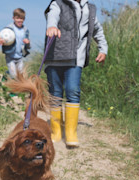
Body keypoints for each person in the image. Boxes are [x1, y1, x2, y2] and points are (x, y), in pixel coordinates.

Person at [44, 0, 108, 148]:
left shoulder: (90, 9)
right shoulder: (58, 3)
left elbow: (97, 29)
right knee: (55, 93)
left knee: (73, 90)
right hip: (55, 57)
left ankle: (71, 132)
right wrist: (52, 26)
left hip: (76, 59)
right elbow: (52, 15)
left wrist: (103, 48)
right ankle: (56, 131)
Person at [0, 8, 31, 80]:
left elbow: (28, 45)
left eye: (22, 18)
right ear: (13, 18)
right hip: (10, 56)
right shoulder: (8, 29)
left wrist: (28, 43)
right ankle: (6, 77)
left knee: (21, 76)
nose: (20, 20)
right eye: (17, 18)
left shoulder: (25, 30)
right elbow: (0, 39)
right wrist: (0, 41)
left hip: (20, 57)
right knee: (14, 75)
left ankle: (8, 76)